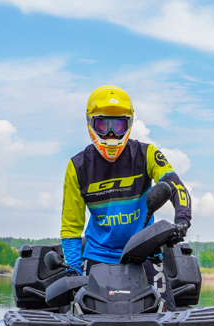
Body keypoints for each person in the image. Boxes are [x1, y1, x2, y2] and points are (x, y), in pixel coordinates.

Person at [61, 85, 191, 280]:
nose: (111, 133)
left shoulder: (147, 154)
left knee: (164, 301)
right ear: (91, 124)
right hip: (98, 255)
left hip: (145, 251)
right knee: (81, 300)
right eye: (104, 126)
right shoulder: (77, 166)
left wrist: (182, 221)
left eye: (118, 126)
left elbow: (175, 186)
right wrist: (73, 268)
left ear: (128, 124)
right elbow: (71, 227)